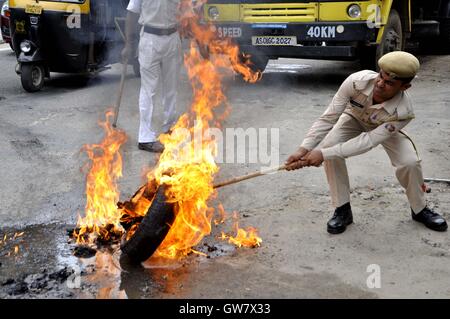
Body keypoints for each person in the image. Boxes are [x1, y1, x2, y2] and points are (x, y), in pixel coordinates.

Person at [285, 51, 448, 234]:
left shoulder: (403, 111)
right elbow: (329, 117)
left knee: (409, 162)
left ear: (405, 87)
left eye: (389, 83)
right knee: (330, 147)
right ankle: (343, 209)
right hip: (353, 118)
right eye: (381, 76)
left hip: (384, 128)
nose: (380, 84)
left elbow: (368, 141)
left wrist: (322, 154)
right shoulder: (356, 81)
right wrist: (304, 148)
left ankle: (419, 209)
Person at [122, 0, 181, 153]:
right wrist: (129, 44)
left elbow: (189, 10)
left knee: (171, 89)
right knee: (148, 90)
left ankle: (170, 129)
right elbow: (131, 14)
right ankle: (145, 138)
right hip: (150, 39)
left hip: (173, 38)